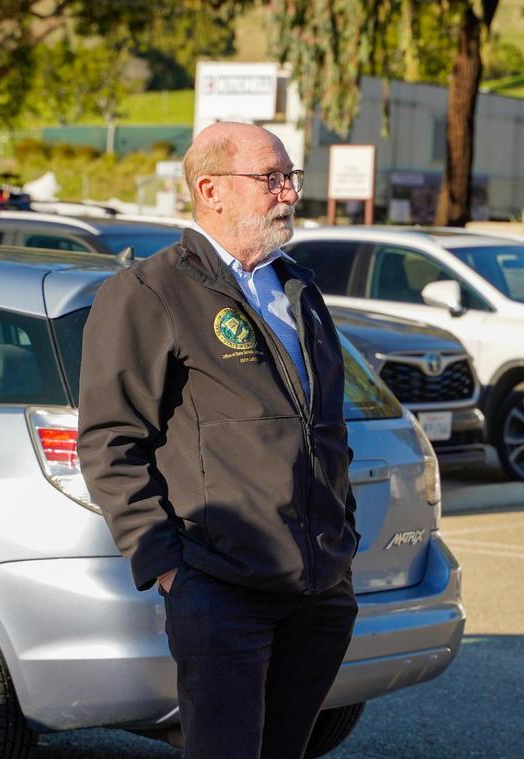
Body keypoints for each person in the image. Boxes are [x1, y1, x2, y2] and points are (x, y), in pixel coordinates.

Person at [78, 122, 359, 759]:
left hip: (317, 590)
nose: (289, 194)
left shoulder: (297, 287)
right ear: (211, 190)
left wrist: (342, 540)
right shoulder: (150, 291)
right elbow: (109, 441)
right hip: (219, 591)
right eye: (271, 179)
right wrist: (169, 567)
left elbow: (326, 427)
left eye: (291, 177)